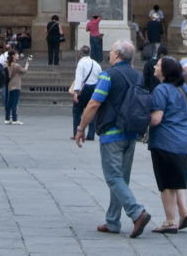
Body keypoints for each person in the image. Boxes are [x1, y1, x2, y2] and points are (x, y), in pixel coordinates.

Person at [76, 41, 152, 238]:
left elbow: (94, 103)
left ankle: (137, 212)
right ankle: (112, 221)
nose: (109, 54)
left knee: (113, 177)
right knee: (121, 178)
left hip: (112, 133)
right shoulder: (137, 76)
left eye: (111, 51)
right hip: (131, 132)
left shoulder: (108, 75)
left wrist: (81, 127)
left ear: (117, 54)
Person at [70, 45, 102, 140]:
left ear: (80, 53)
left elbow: (79, 78)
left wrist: (76, 92)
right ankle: (91, 134)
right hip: (94, 88)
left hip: (84, 89)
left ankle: (77, 132)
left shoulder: (81, 63)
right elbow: (100, 76)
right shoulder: (95, 63)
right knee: (91, 110)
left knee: (77, 111)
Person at [3, 47, 28, 124]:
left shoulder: (8, 64)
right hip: (16, 84)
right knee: (15, 102)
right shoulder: (16, 65)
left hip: (10, 84)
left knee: (10, 102)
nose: (18, 56)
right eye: (17, 54)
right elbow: (24, 71)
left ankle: (7, 118)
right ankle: (14, 119)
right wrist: (27, 63)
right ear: (13, 56)